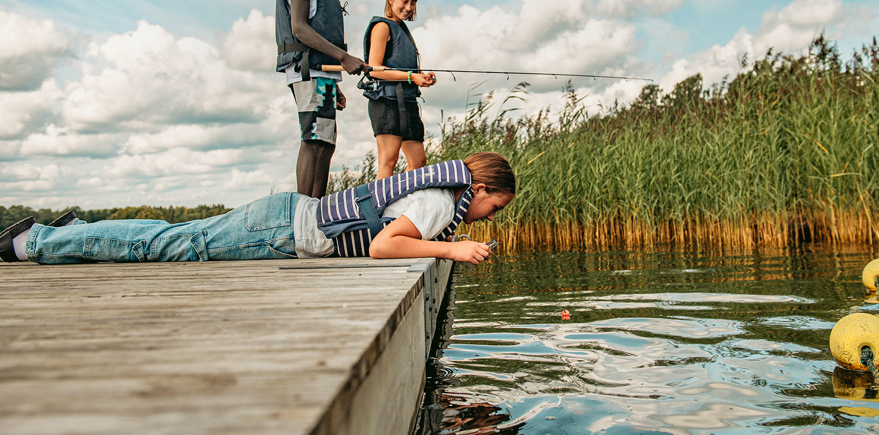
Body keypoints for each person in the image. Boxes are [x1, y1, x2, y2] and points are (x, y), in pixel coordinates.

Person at [1, 152, 515, 265]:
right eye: (496, 205)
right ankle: (38, 242)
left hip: (286, 218)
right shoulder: (434, 200)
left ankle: (77, 229)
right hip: (280, 232)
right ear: (481, 186)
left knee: (172, 231)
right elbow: (384, 246)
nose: (491, 216)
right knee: (162, 246)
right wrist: (455, 252)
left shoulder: (435, 197)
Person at [276, 0, 367, 198]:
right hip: (307, 72)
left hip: (320, 73)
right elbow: (299, 28)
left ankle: (317, 209)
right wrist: (343, 57)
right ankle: (303, 210)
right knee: (314, 140)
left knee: (326, 142)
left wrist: (334, 81)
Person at [359, 0, 437, 179]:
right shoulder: (383, 27)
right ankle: (379, 208)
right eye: (404, 1)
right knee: (388, 160)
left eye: (413, 3)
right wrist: (411, 76)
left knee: (418, 162)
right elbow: (374, 70)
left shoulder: (402, 29)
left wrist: (421, 78)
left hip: (407, 102)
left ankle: (399, 202)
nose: (409, 7)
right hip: (386, 102)